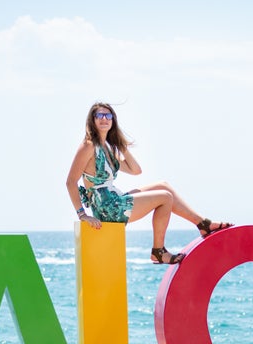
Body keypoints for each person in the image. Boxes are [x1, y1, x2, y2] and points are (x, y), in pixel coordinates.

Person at [65, 102, 232, 264]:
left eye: (108, 115)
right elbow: (71, 181)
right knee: (165, 197)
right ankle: (158, 251)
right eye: (99, 115)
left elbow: (136, 170)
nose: (104, 119)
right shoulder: (88, 146)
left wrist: (120, 145)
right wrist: (82, 215)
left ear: (113, 120)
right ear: (92, 120)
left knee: (163, 185)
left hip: (115, 198)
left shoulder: (107, 148)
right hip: (107, 207)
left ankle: (202, 223)